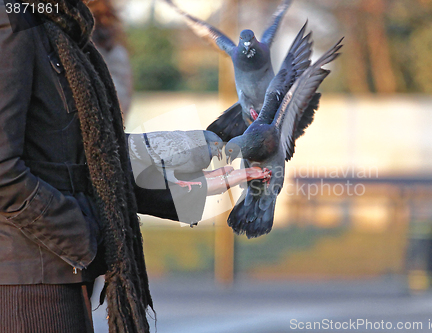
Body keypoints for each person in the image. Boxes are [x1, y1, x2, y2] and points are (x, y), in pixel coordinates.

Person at [0, 0, 268, 332]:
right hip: (27, 282)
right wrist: (83, 234)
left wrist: (192, 186)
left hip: (58, 273)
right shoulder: (12, 22)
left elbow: (93, 159)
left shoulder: (58, 26)